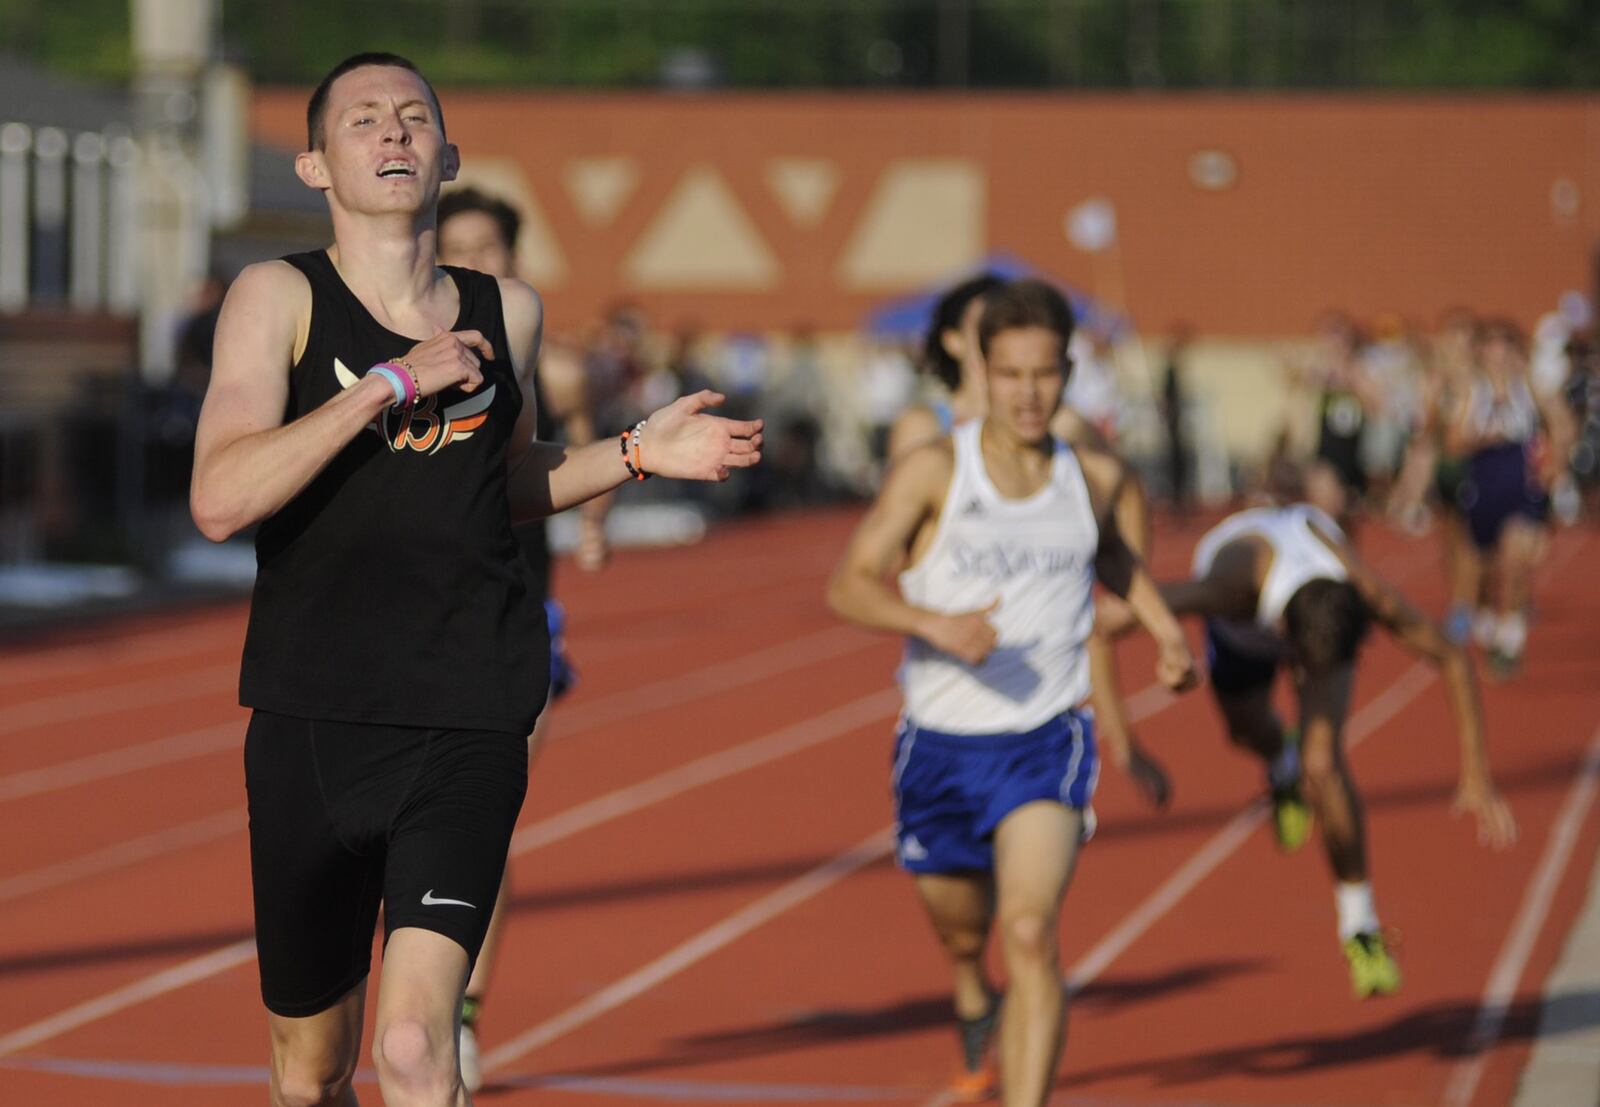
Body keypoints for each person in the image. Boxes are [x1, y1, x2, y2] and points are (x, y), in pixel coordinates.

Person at [189, 53, 761, 1107]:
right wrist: (391, 386)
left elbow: (504, 482)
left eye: (415, 118)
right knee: (310, 1068)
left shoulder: (509, 313)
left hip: (468, 708)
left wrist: (637, 453)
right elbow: (221, 499)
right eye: (364, 121)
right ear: (315, 164)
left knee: (415, 1050)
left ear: (448, 155)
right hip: (314, 714)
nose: (394, 134)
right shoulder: (277, 298)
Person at [827, 280, 1197, 1106]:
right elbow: (848, 586)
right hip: (940, 745)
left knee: (1029, 932)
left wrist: (1165, 631)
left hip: (1044, 737)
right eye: (1012, 374)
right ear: (982, 373)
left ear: (1067, 373)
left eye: (1046, 374)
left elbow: (1113, 559)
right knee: (965, 928)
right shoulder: (933, 471)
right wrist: (933, 622)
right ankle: (968, 986)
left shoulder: (1089, 476)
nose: (1029, 394)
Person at [1101, 501, 1517, 999]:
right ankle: (1281, 762)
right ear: (1285, 642)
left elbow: (1451, 657)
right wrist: (1129, 746)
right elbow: (1104, 622)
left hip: (1316, 612)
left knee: (1325, 764)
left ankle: (1359, 927)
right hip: (1240, 632)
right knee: (1246, 731)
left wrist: (1476, 774)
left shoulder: (1365, 591)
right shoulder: (1229, 587)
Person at [435, 185, 608, 1091]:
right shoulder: (400, 352)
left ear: (516, 257)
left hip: (518, 618)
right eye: (456, 246)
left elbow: (582, 443)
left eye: (489, 249)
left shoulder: (556, 362)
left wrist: (593, 524)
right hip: (414, 622)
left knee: (482, 824)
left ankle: (459, 1012)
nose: (474, 263)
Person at [891, 273, 1173, 812]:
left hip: (1045, 665)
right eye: (989, 323)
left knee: (1030, 882)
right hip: (950, 662)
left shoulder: (1062, 424)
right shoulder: (925, 431)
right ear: (957, 341)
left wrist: (1131, 581)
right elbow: (896, 551)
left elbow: (1121, 487)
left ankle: (1120, 749)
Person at [1445, 319, 1572, 676]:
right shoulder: (1472, 392)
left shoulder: (1530, 389)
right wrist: (1484, 437)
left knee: (1515, 563)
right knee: (1484, 574)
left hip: (1521, 488)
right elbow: (1453, 443)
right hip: (1484, 486)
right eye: (1491, 347)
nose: (1498, 355)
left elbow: (1561, 425)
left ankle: (1511, 640)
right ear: (1482, 353)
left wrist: (1556, 465)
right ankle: (1489, 624)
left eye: (1505, 347)